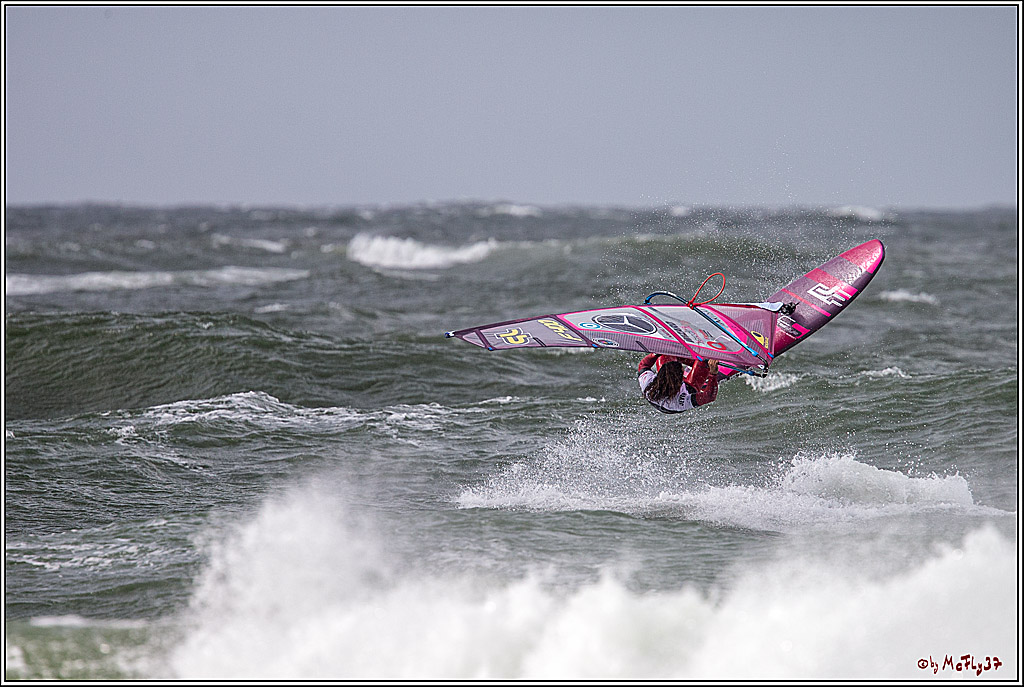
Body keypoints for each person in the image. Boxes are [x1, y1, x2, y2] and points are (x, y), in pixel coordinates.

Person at [637, 353, 719, 414]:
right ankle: (703, 366)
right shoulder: (681, 401)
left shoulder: (647, 383)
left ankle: (694, 361)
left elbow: (643, 365)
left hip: (661, 394)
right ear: (681, 379)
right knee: (704, 362)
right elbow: (709, 397)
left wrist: (655, 354)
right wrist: (713, 374)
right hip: (674, 404)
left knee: (665, 353)